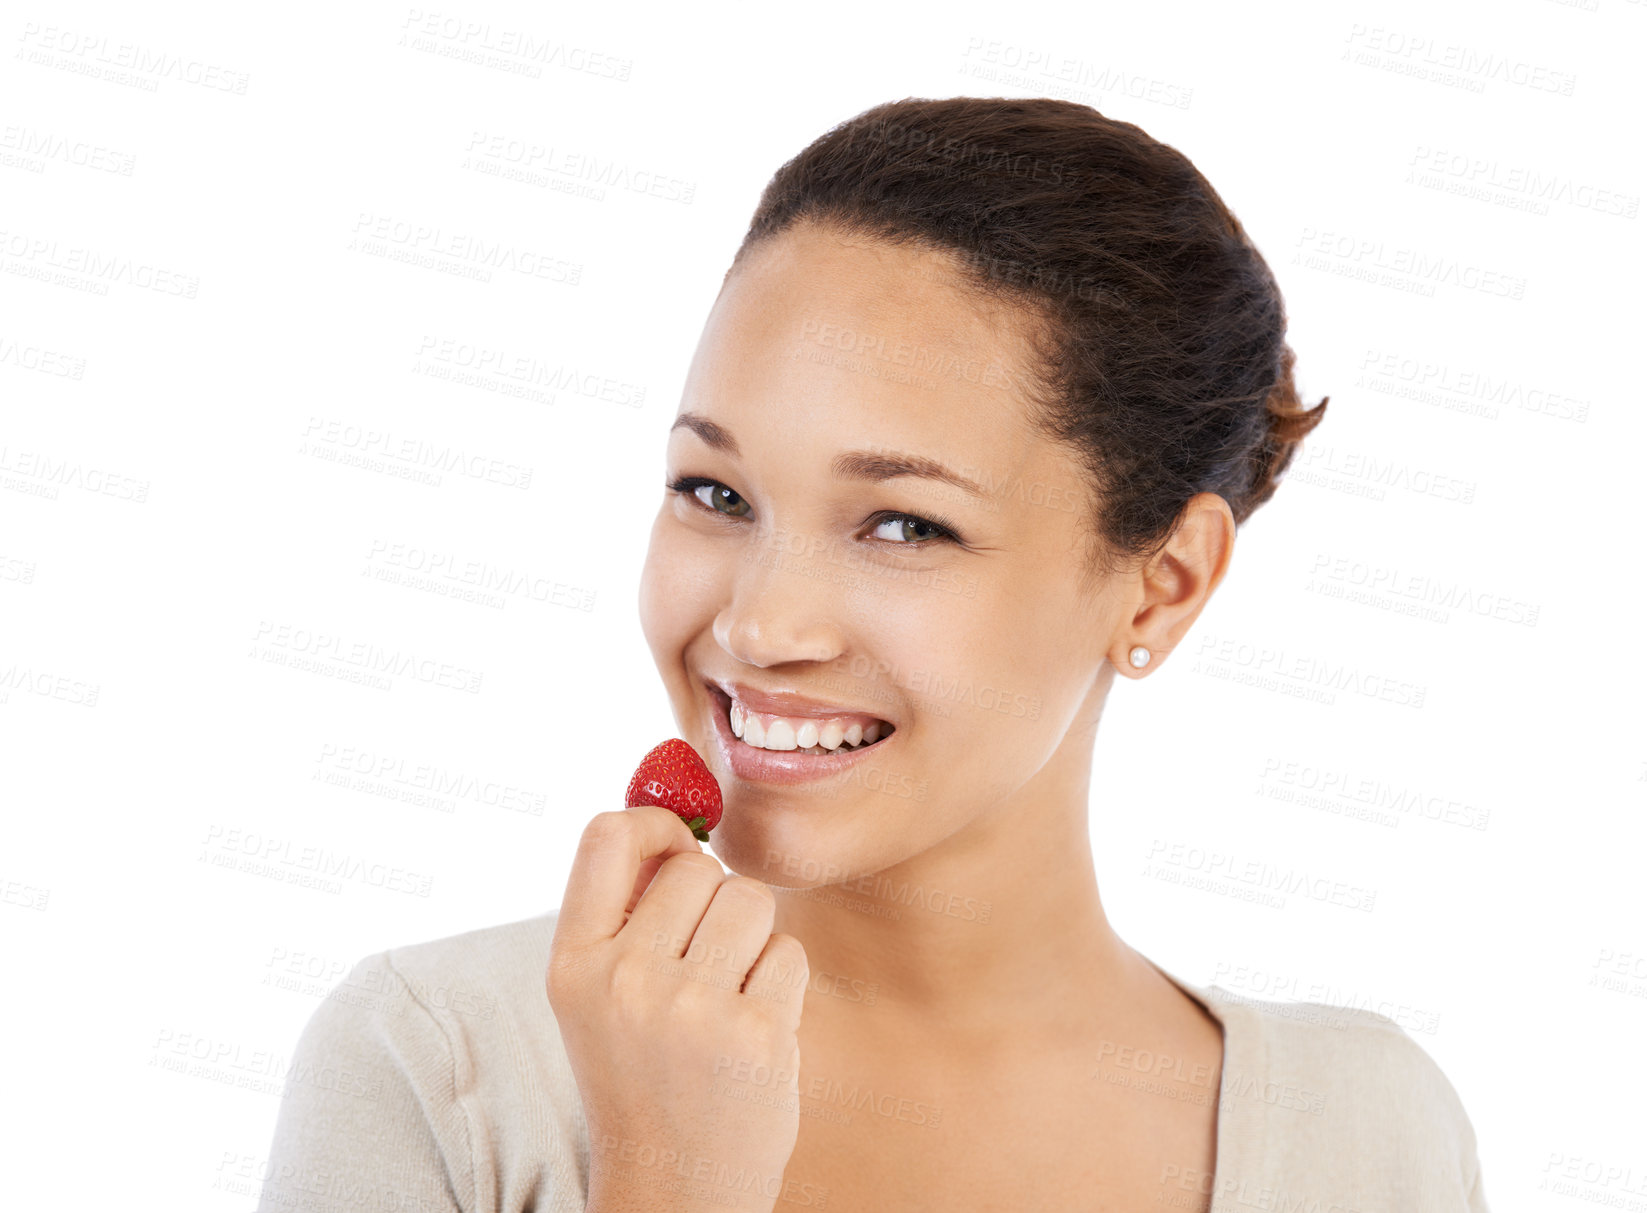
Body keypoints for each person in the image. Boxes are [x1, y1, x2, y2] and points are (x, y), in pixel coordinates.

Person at [257, 96, 1488, 1212]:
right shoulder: (447, 1068)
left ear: (1162, 583)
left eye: (905, 523)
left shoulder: (1367, 1137)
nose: (757, 627)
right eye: (716, 491)